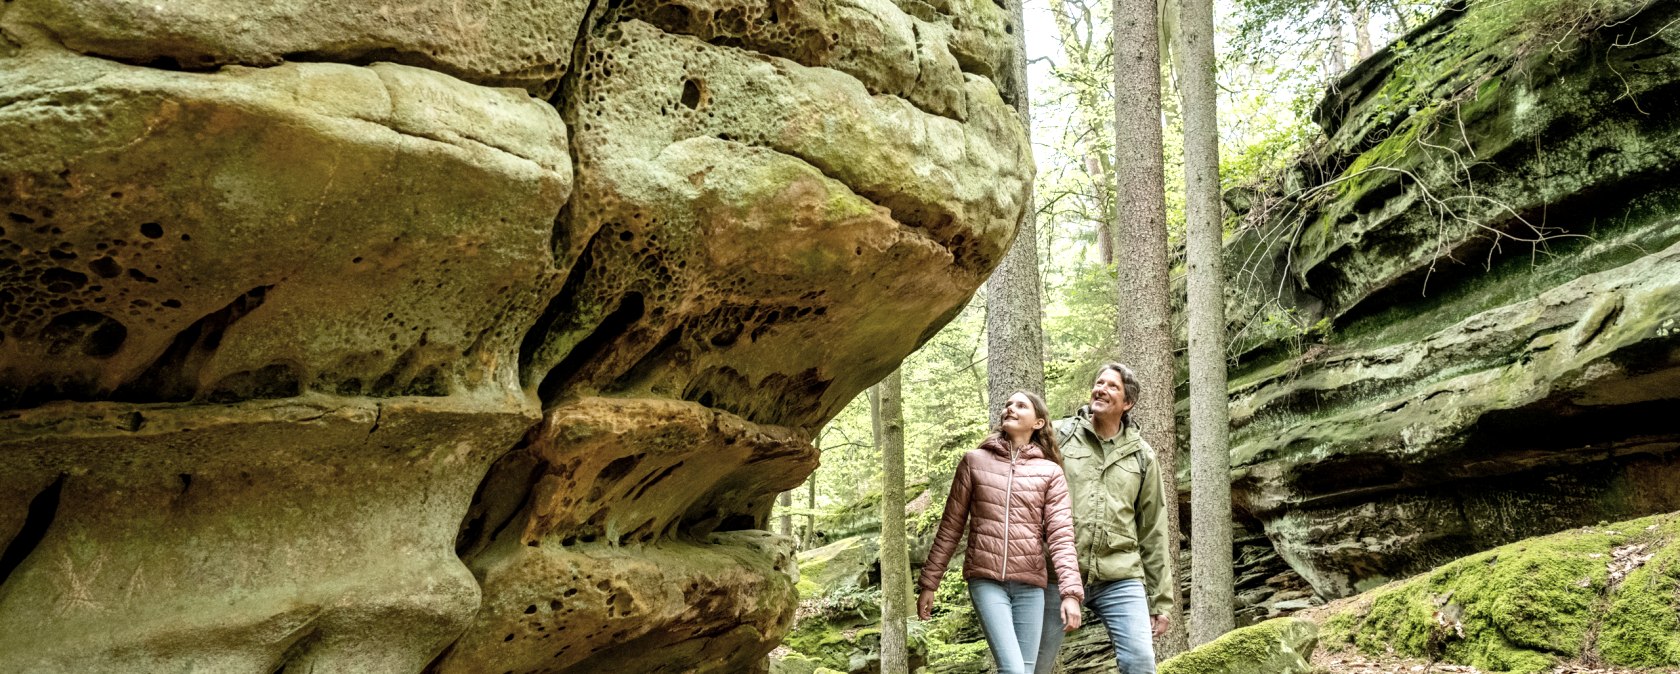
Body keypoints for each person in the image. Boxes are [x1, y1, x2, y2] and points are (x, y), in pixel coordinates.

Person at [916, 391, 1085, 674]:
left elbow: (1061, 537)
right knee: (1014, 670)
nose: (1010, 408)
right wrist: (929, 584)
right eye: (1008, 404)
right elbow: (950, 527)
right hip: (986, 580)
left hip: (1031, 584)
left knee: (1026, 670)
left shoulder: (1050, 472)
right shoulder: (974, 461)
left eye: (1021, 405)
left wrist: (1070, 593)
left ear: (1039, 423)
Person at [1034, 363, 1173, 674]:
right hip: (1055, 573)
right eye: (1099, 383)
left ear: (1128, 403)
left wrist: (1160, 601)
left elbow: (1153, 531)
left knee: (1140, 661)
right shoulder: (1059, 435)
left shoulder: (1142, 456)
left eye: (1112, 386)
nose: (1101, 389)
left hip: (1118, 575)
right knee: (1034, 665)